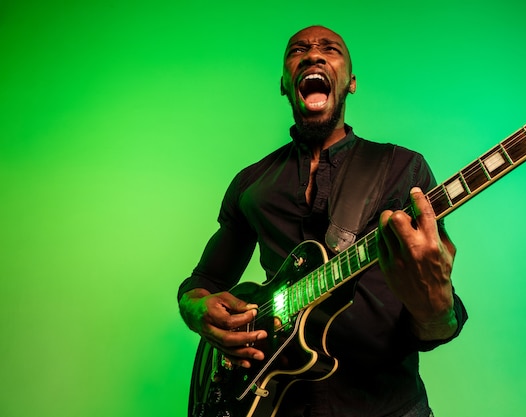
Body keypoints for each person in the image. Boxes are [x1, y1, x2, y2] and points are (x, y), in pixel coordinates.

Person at [178, 25, 468, 417]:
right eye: (298, 50)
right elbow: (205, 282)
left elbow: (438, 324)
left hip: (388, 407)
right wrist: (196, 310)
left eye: (330, 49)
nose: (313, 55)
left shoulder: (402, 168)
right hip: (272, 404)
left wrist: (437, 308)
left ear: (350, 82)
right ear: (284, 83)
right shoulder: (251, 183)